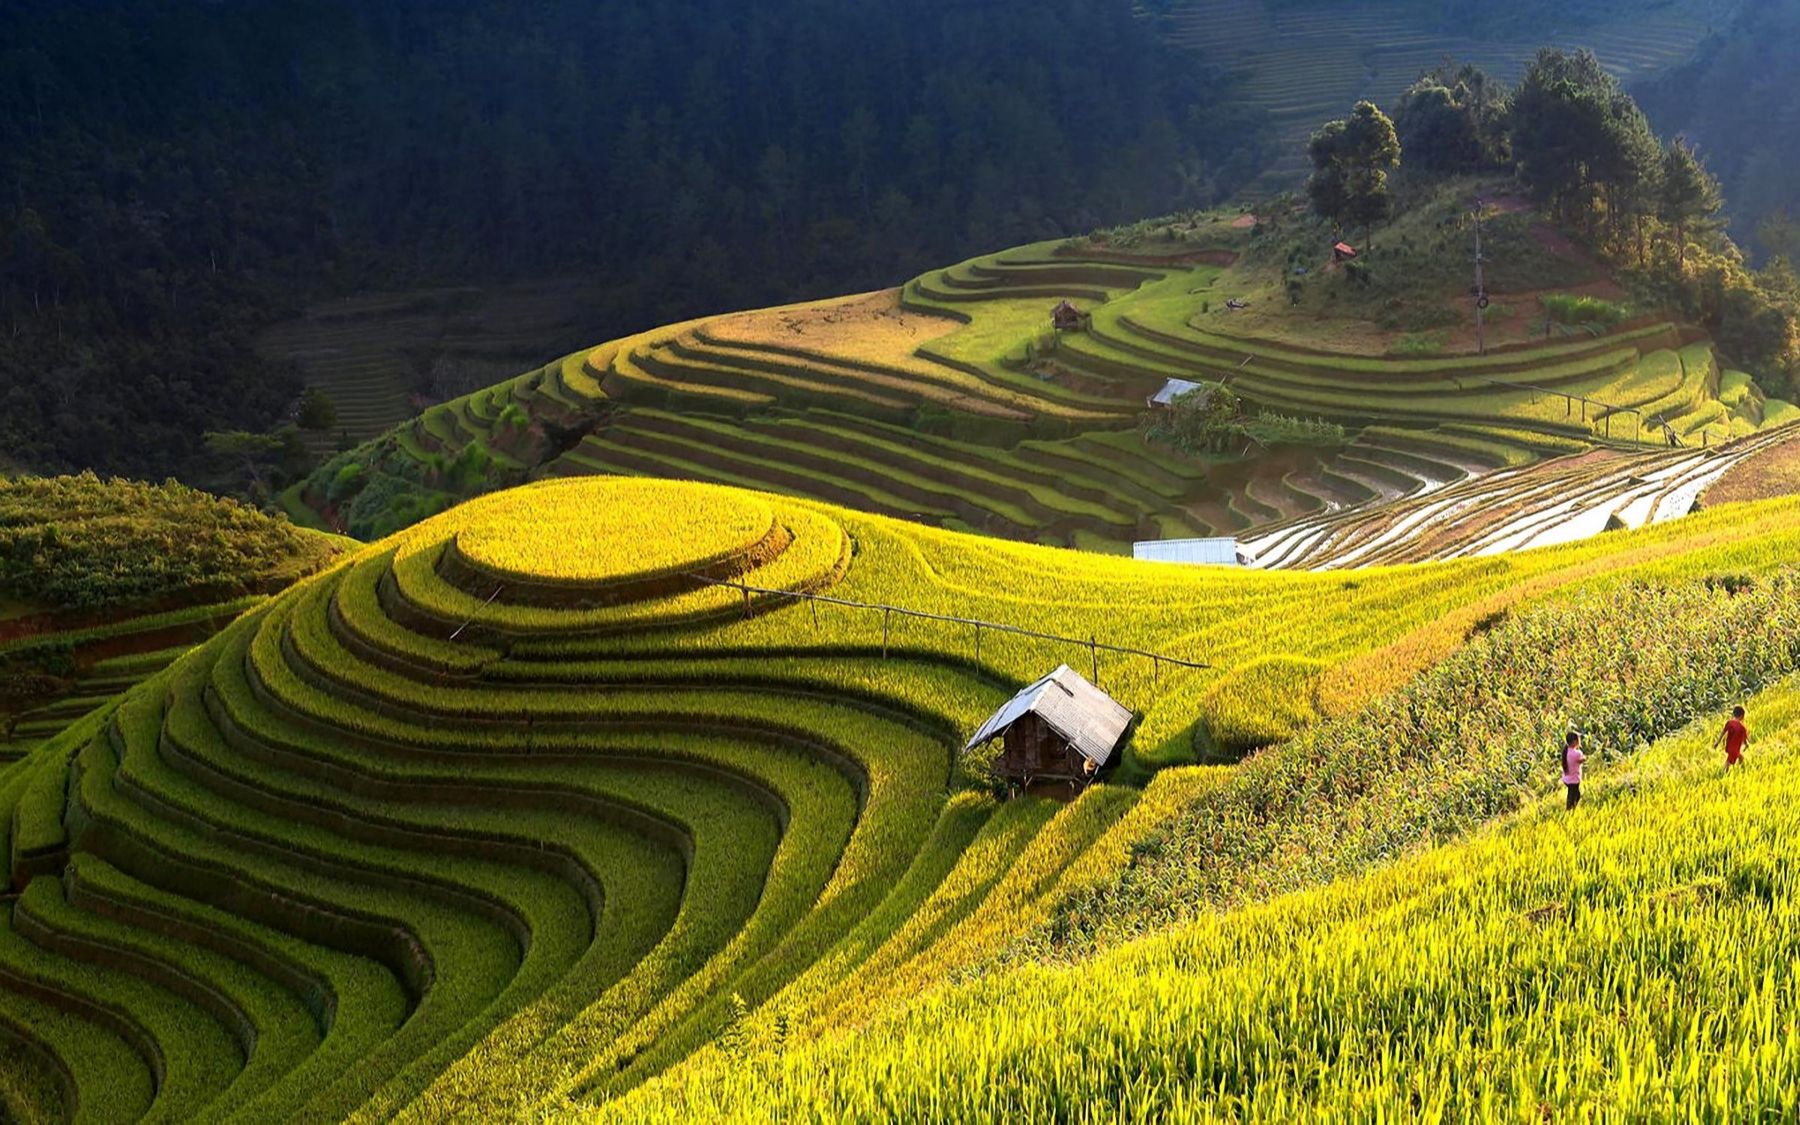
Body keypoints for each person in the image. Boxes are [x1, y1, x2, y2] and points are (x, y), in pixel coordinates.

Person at [1560, 730, 1585, 810]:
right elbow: (1582, 759)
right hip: (1573, 780)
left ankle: (1571, 809)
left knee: (1575, 795)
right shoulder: (1576, 753)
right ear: (1574, 741)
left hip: (1567, 778)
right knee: (1574, 796)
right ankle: (1570, 810)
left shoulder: (1566, 751)